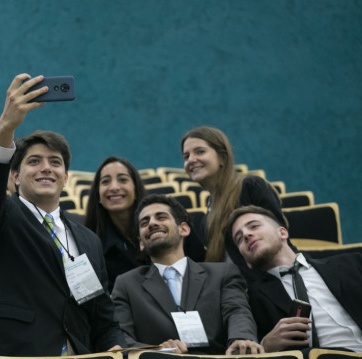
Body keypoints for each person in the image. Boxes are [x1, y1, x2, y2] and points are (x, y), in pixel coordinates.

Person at [0, 74, 125, 356]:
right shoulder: (0, 216)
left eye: (55, 162)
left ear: (65, 178)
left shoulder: (89, 240)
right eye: (34, 161)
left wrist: (115, 346)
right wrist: (6, 127)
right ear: (15, 176)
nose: (46, 168)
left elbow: (103, 318)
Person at [112, 194, 261, 354]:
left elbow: (237, 311)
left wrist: (241, 339)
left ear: (183, 229)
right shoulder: (126, 284)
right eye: (144, 222)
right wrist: (158, 351)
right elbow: (120, 338)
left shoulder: (222, 273)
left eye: (161, 217)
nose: (153, 223)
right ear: (141, 242)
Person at [227, 205, 362, 353]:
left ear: (282, 233)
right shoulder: (251, 300)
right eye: (239, 239)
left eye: (254, 226)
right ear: (247, 261)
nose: (246, 235)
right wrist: (266, 345)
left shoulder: (352, 262)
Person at [181, 126, 291, 282]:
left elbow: (278, 243)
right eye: (186, 156)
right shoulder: (209, 209)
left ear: (223, 158)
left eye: (200, 152)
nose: (191, 160)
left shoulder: (251, 186)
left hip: (269, 284)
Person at [84, 156, 149, 292]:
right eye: (106, 182)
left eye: (123, 180)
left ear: (136, 189)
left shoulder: (159, 227)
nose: (114, 187)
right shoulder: (87, 243)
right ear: (98, 194)